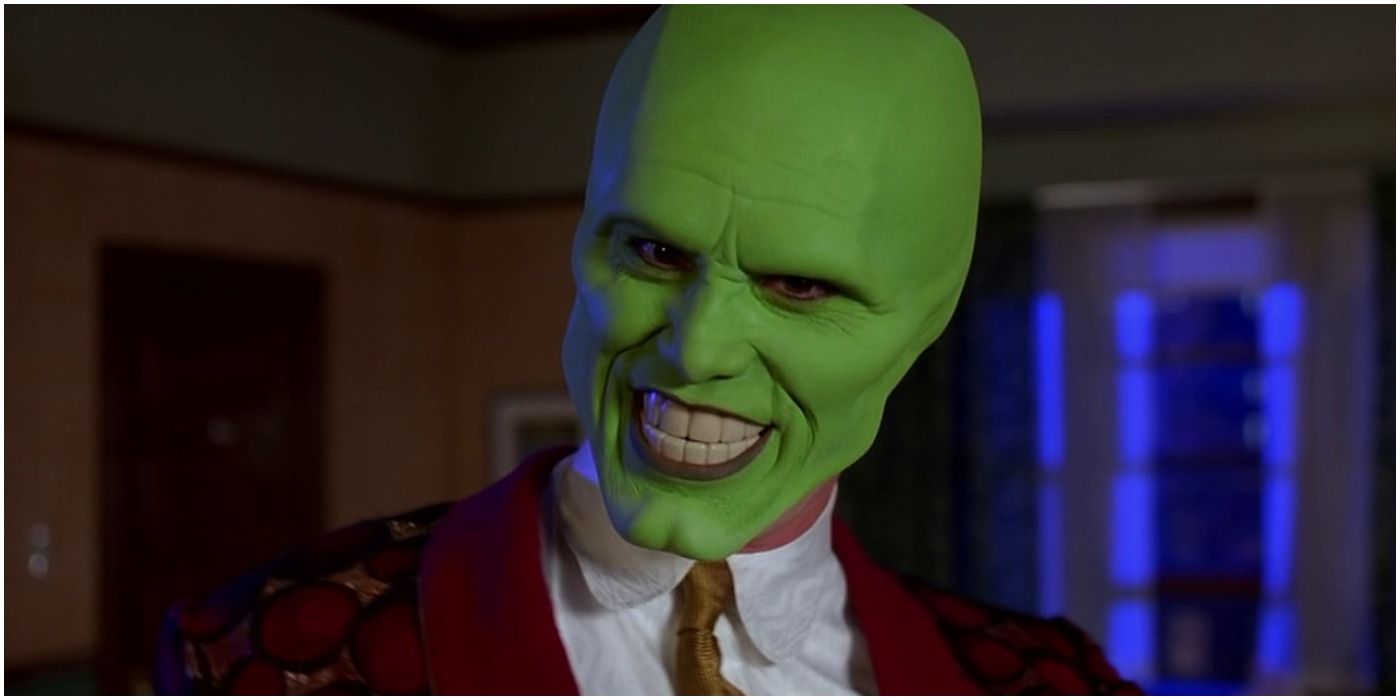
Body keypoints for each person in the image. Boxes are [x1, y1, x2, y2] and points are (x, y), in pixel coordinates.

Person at [157, 6, 1140, 695]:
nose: (696, 347)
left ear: (925, 317)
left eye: (799, 286)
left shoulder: (1055, 684)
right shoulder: (255, 657)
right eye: (656, 253)